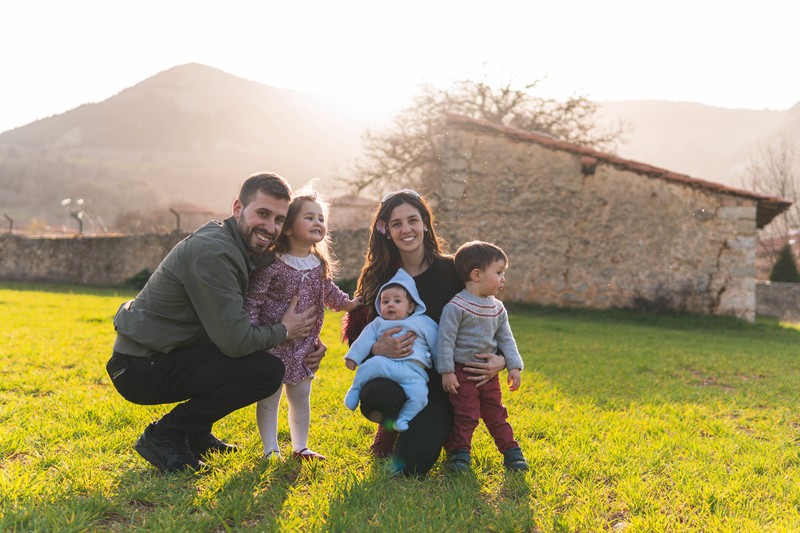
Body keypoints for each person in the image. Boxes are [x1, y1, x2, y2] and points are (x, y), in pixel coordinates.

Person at [107, 172, 321, 473]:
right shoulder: (215, 252)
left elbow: (256, 312)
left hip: (164, 354)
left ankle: (195, 434)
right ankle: (166, 434)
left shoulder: (240, 246)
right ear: (237, 208)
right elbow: (236, 342)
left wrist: (306, 338)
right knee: (266, 371)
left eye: (278, 219)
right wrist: (286, 331)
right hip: (140, 366)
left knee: (257, 360)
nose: (270, 227)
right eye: (262, 213)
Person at [342, 189, 506, 476]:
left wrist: (501, 358)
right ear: (387, 231)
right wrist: (375, 349)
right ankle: (389, 427)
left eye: (413, 220)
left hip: (445, 381)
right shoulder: (378, 276)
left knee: (413, 465)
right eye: (396, 223)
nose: (406, 229)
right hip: (395, 374)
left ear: (425, 223)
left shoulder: (453, 270)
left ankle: (439, 427)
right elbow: (357, 332)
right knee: (375, 395)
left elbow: (490, 313)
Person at [244, 189, 360, 461]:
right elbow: (255, 299)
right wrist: (250, 333)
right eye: (309, 217)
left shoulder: (318, 264)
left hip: (303, 345)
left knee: (301, 396)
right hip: (272, 343)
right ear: (287, 228)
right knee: (269, 398)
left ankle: (300, 446)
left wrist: (349, 305)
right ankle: (271, 450)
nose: (318, 223)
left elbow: (329, 291)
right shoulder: (272, 265)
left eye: (321, 218)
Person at [436, 241, 528, 472]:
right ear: (476, 275)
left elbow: (506, 339)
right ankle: (460, 454)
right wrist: (447, 372)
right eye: (499, 273)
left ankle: (511, 452)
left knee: (497, 413)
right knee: (466, 415)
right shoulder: (456, 307)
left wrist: (514, 367)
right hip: (462, 374)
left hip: (489, 376)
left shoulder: (497, 308)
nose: (503, 279)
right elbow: (445, 341)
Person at [344, 269, 438, 432]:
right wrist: (353, 358)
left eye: (397, 301)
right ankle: (355, 390)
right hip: (384, 365)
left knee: (420, 395)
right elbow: (363, 340)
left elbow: (437, 343)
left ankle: (404, 418)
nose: (390, 305)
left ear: (410, 307)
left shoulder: (423, 322)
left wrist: (444, 367)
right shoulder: (378, 323)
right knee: (368, 367)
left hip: (412, 372)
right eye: (385, 301)